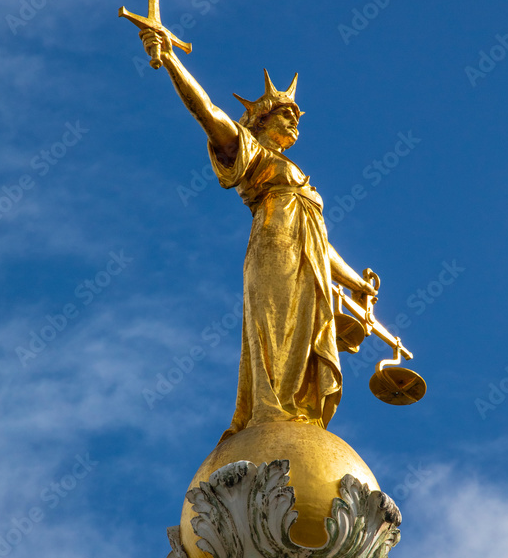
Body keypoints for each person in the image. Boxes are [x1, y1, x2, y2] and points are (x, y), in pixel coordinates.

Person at [140, 30, 378, 440]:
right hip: (274, 249)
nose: (295, 121)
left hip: (308, 259)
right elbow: (209, 113)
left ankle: (297, 411)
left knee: (304, 334)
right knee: (275, 328)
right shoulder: (253, 153)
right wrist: (172, 63)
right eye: (287, 113)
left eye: (297, 116)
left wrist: (357, 282)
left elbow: (321, 246)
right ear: (262, 120)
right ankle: (271, 411)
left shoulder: (302, 181)